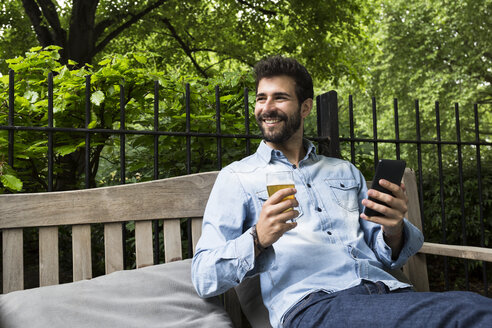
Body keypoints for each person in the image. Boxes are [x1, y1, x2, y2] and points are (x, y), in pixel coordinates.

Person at [191, 56, 492, 328]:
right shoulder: (238, 177)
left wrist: (394, 228)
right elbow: (204, 277)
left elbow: (385, 252)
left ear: (305, 107)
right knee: (472, 312)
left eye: (279, 97)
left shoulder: (343, 171)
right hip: (314, 305)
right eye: (261, 98)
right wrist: (258, 238)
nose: (266, 107)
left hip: (387, 293)